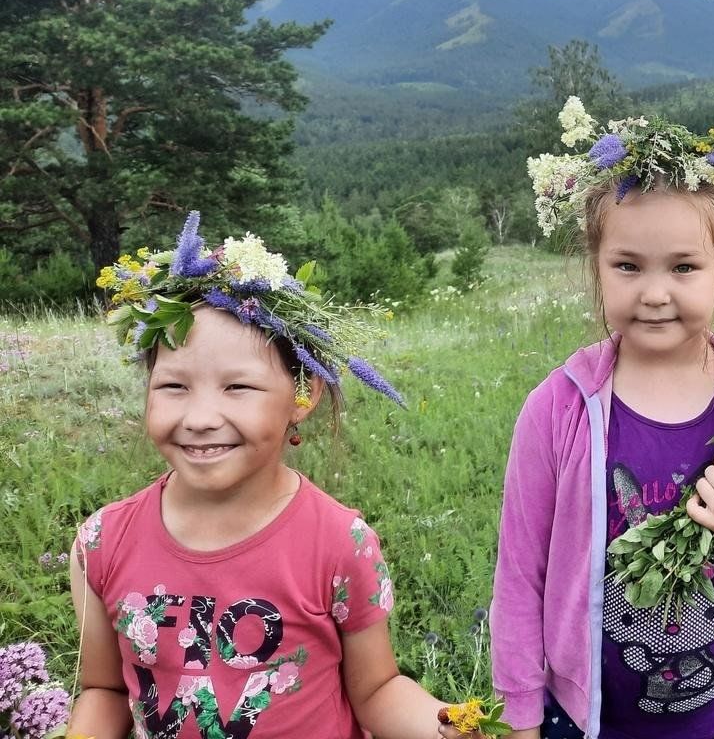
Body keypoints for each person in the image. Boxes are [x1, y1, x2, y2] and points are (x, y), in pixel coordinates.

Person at [492, 101, 714, 739]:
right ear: (596, 267)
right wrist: (521, 717)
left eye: (683, 267)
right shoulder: (560, 409)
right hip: (591, 722)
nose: (653, 293)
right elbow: (519, 575)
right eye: (628, 266)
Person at [68, 213, 473, 739]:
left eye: (237, 387)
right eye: (173, 386)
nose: (200, 417)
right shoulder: (101, 543)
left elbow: (377, 690)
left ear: (302, 396)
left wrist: (451, 727)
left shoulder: (338, 543)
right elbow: (106, 691)